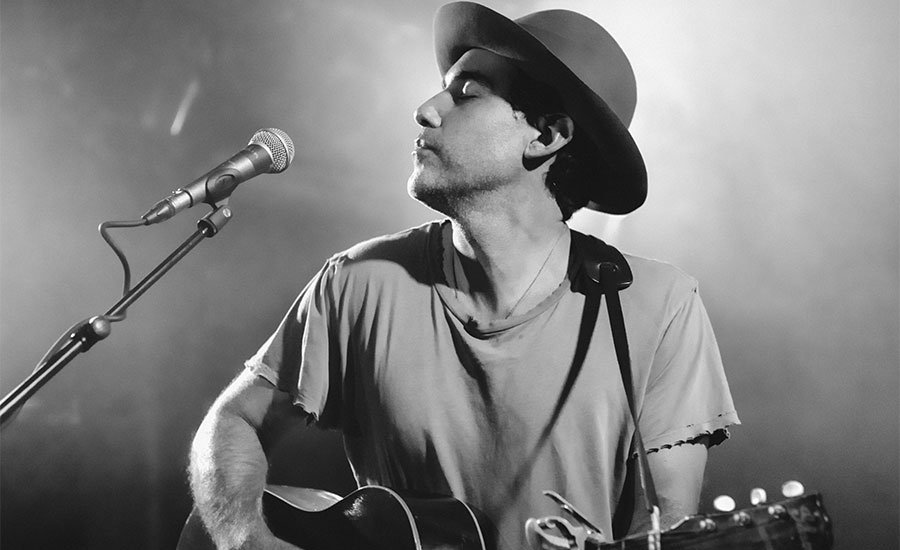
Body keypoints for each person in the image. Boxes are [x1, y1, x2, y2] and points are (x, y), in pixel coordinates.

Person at [188, 2, 739, 549]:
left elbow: (667, 524)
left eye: (468, 93)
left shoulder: (656, 305)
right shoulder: (360, 281)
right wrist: (244, 539)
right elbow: (235, 420)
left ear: (547, 136)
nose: (425, 110)